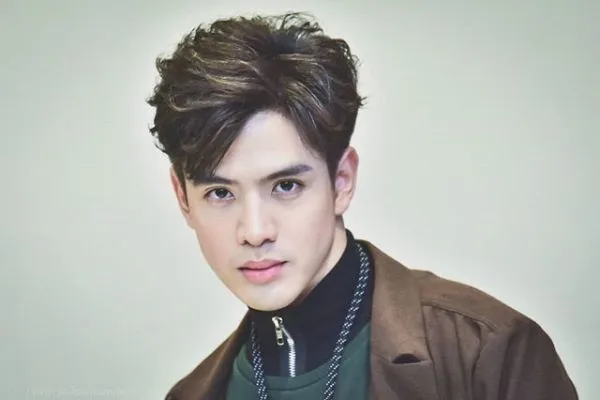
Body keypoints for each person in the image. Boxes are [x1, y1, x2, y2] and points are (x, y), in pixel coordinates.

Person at [146, 12, 578, 400]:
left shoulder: (486, 352)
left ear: (342, 181)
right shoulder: (190, 394)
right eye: (221, 193)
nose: (255, 231)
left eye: (287, 186)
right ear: (183, 198)